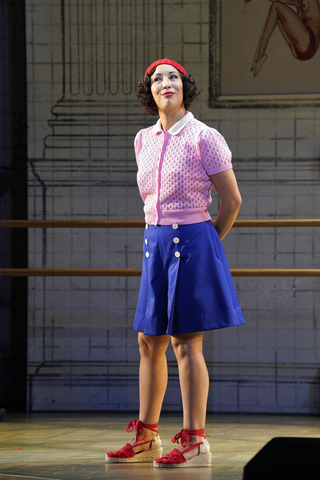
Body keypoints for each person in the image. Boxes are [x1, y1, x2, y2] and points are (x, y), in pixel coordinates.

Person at [105, 58, 245, 468]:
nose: (165, 83)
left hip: (194, 240)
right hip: (156, 241)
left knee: (187, 343)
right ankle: (147, 437)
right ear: (148, 92)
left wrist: (206, 247)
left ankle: (195, 440)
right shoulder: (143, 140)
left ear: (185, 88)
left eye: (173, 77)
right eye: (157, 79)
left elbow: (232, 201)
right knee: (148, 340)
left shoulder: (205, 137)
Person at [250, 0, 320, 76]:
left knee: (276, 6)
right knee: (275, 14)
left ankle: (261, 55)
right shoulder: (298, 1)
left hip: (309, 42)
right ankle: (258, 55)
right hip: (298, 51)